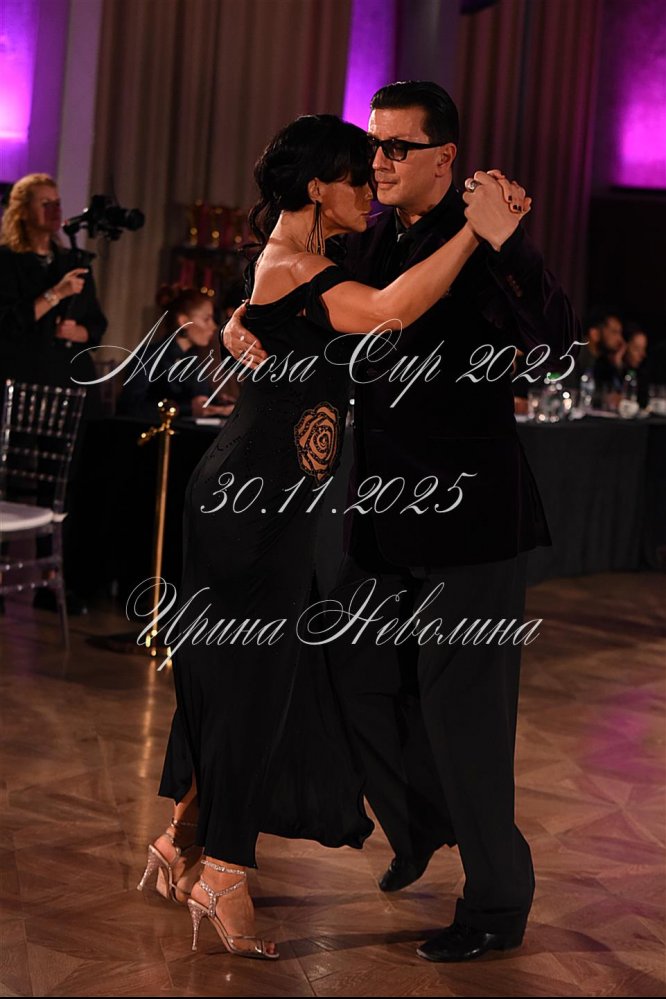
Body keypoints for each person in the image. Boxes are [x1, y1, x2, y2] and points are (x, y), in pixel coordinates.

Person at [140, 113, 529, 962]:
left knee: (249, 675)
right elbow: (389, 309)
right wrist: (476, 232)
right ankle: (223, 870)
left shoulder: (303, 260)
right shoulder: (300, 263)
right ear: (318, 188)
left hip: (272, 497)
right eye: (358, 173)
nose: (371, 186)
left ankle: (185, 838)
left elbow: (289, 309)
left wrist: (243, 320)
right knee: (254, 680)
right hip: (253, 500)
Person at [224, 82, 581, 962]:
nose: (376, 161)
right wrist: (244, 318)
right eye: (373, 144)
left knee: (467, 715)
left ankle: (497, 900)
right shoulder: (371, 237)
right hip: (382, 514)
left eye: (395, 147)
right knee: (351, 670)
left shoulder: (486, 237)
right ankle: (421, 825)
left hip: (472, 517)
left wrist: (512, 243)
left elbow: (556, 349)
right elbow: (299, 282)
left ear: (444, 157)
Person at [0, 173, 108, 614]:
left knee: (59, 488)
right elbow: (8, 322)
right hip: (22, 385)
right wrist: (54, 294)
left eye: (57, 201)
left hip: (65, 387)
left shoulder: (72, 260)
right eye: (44, 202)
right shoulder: (7, 261)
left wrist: (80, 331)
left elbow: (96, 325)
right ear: (23, 211)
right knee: (10, 482)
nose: (54, 210)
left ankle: (50, 582)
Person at [116, 284, 236, 420]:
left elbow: (199, 399)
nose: (213, 326)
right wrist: (187, 408)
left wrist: (218, 403)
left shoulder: (195, 360)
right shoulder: (149, 356)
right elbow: (129, 407)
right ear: (183, 321)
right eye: (206, 319)